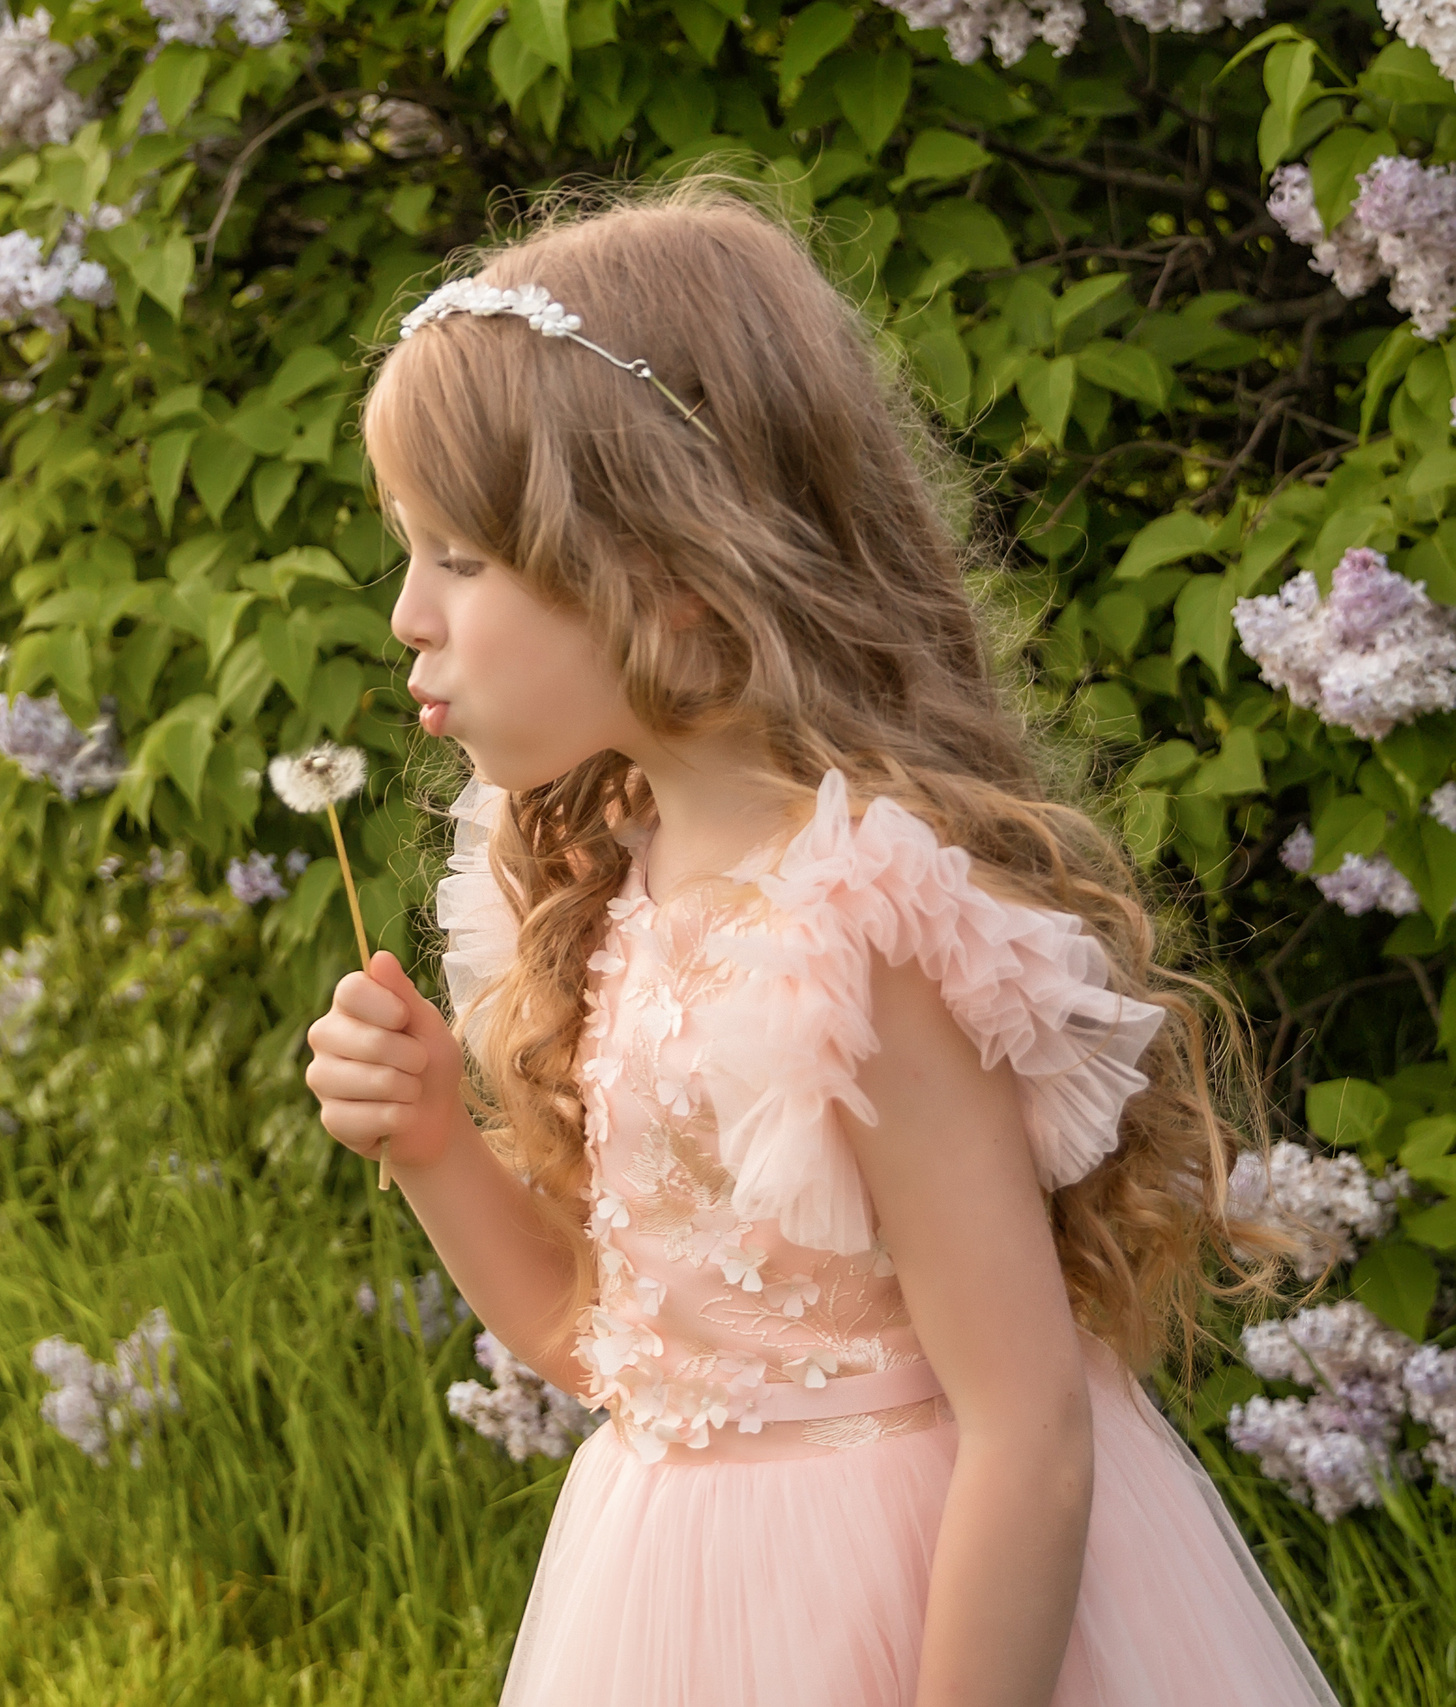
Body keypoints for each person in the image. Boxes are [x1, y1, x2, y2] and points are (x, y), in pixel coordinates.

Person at [301, 183, 1338, 1706]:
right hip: (672, 1605)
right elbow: (629, 1362)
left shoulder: (861, 932)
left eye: (458, 557)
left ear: (658, 567)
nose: (407, 616)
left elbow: (1029, 1429)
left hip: (919, 1608)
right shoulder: (608, 876)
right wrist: (439, 1147)